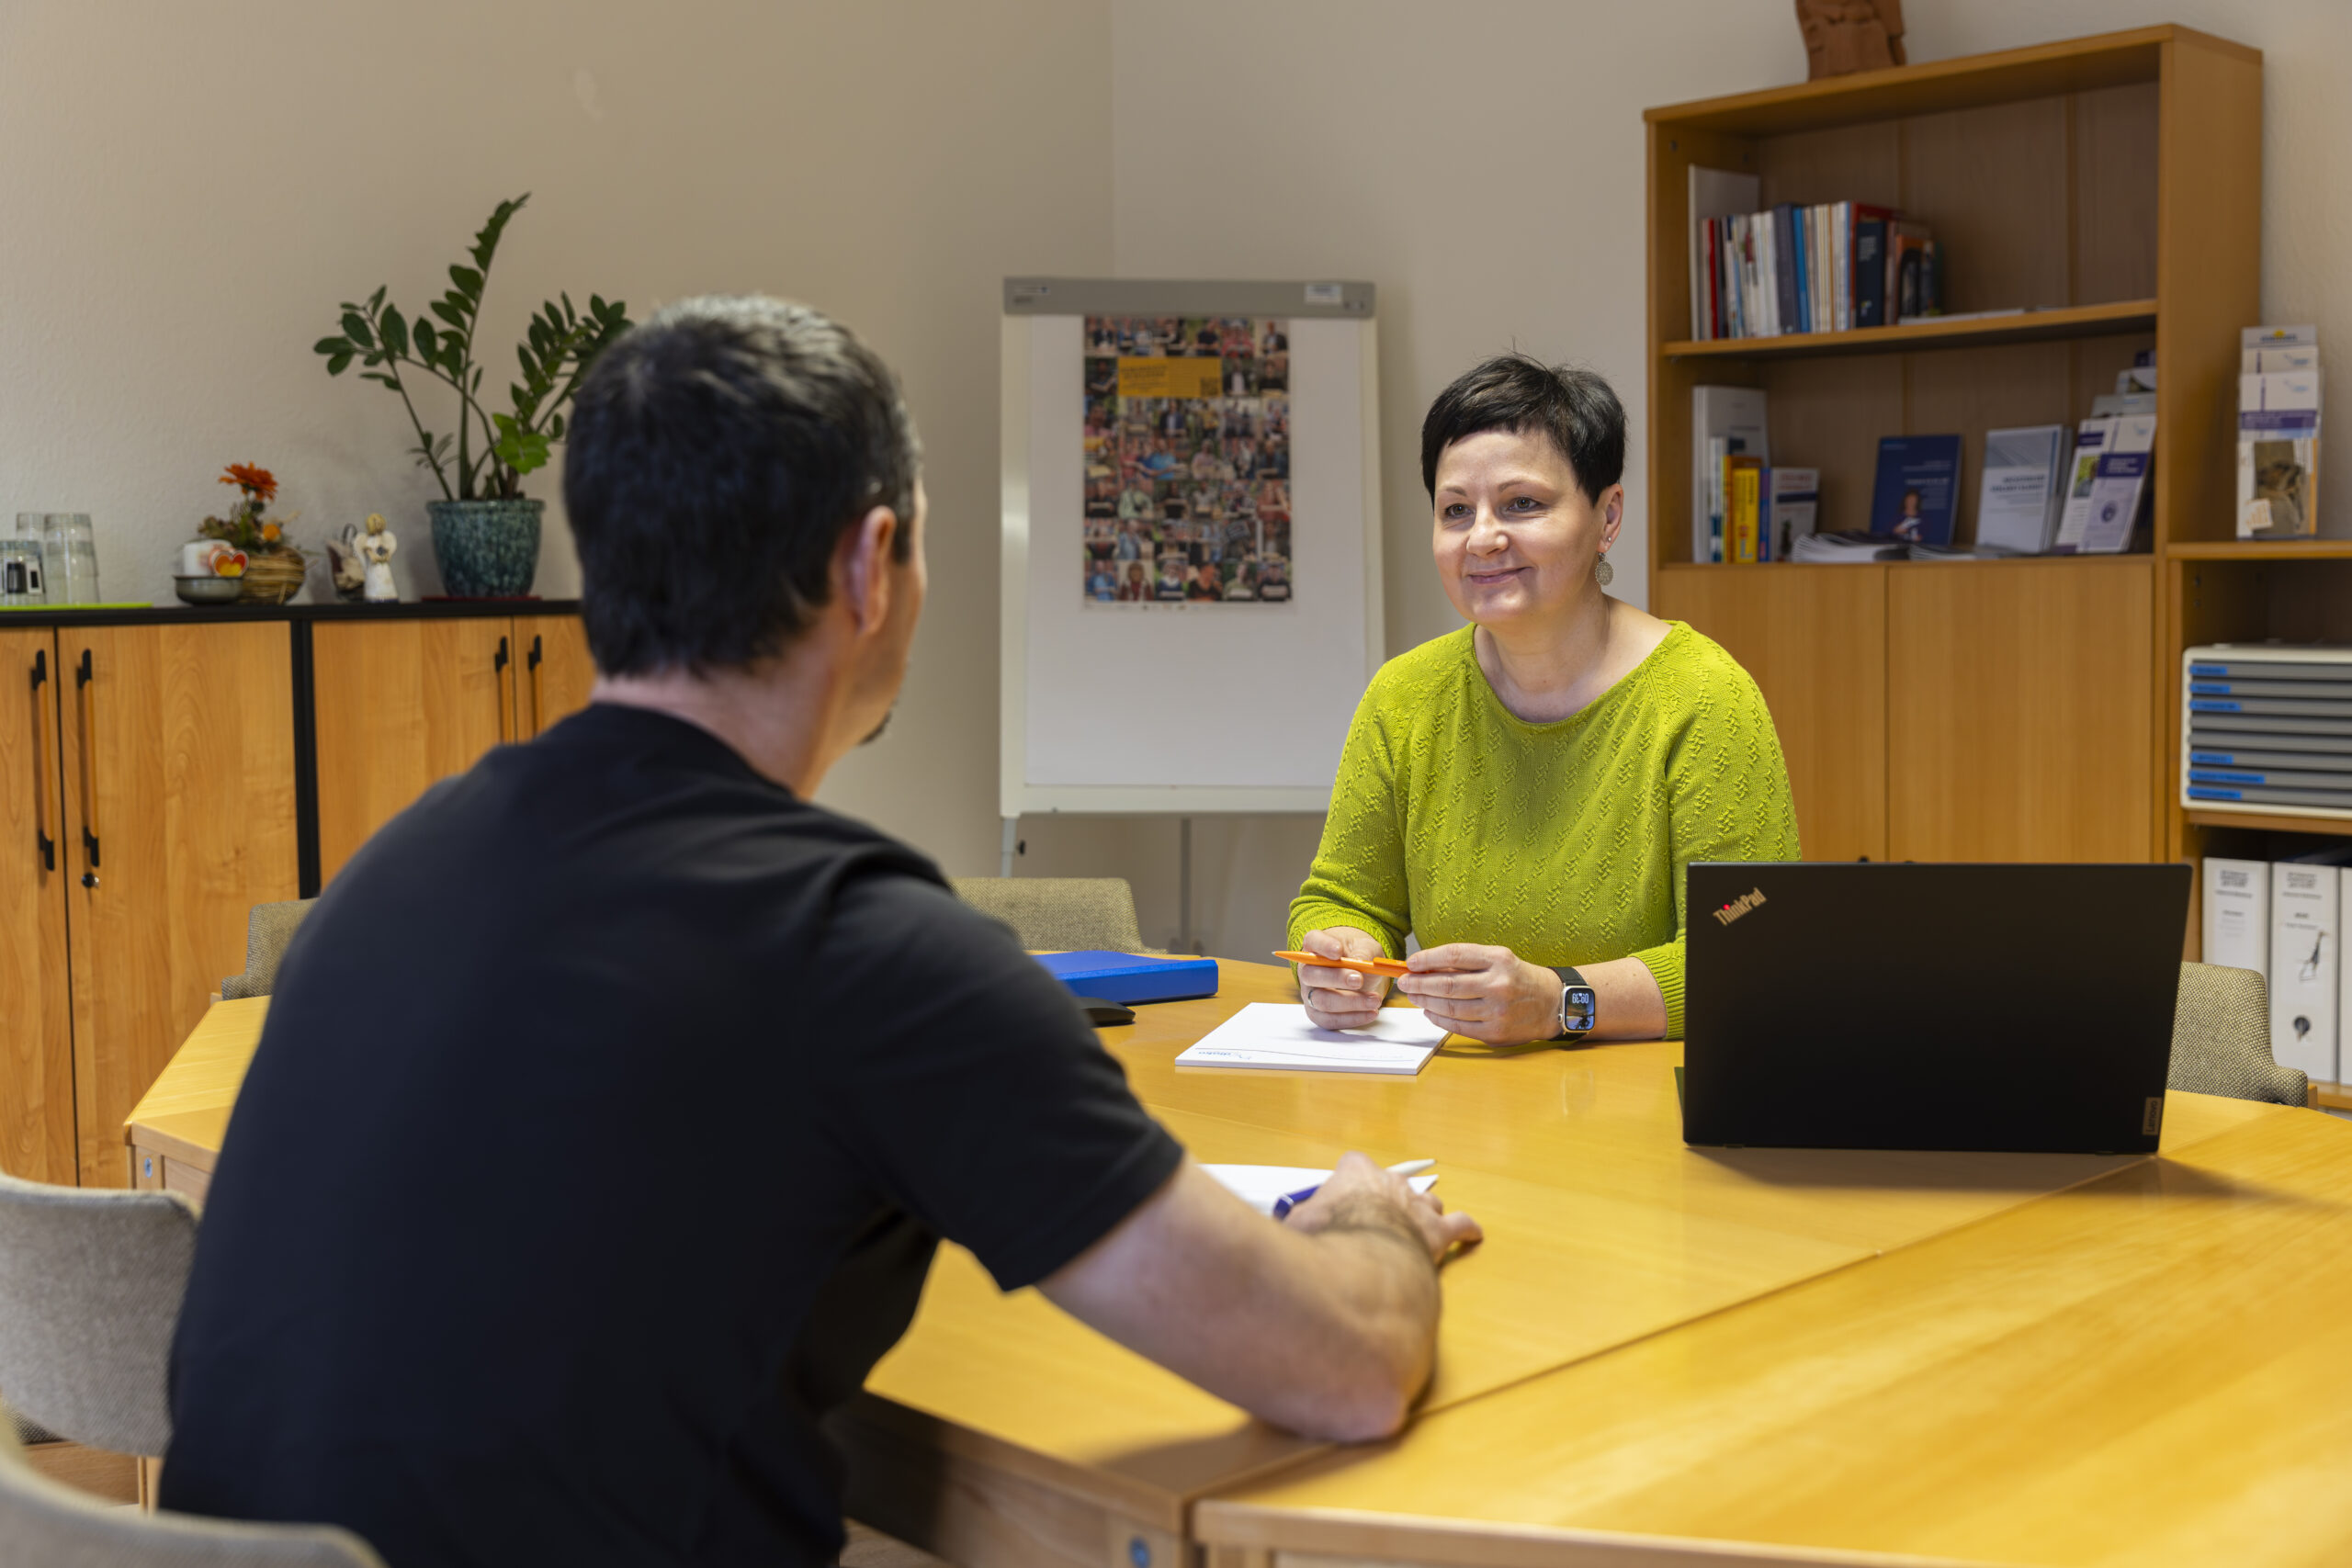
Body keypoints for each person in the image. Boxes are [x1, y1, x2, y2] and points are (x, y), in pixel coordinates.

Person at [161, 298, 1479, 1568]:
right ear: (870, 562)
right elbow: (1346, 1369)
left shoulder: (401, 862)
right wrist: (1371, 1219)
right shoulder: (864, 948)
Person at [1289, 354, 1798, 1045]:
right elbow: (1340, 898)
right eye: (1455, 510)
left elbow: (1751, 949)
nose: (1483, 537)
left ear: (1607, 516)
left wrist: (1560, 1000)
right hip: (1457, 1095)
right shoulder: (1403, 696)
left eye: (1522, 504)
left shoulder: (1704, 697)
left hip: (1643, 1115)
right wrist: (1340, 959)